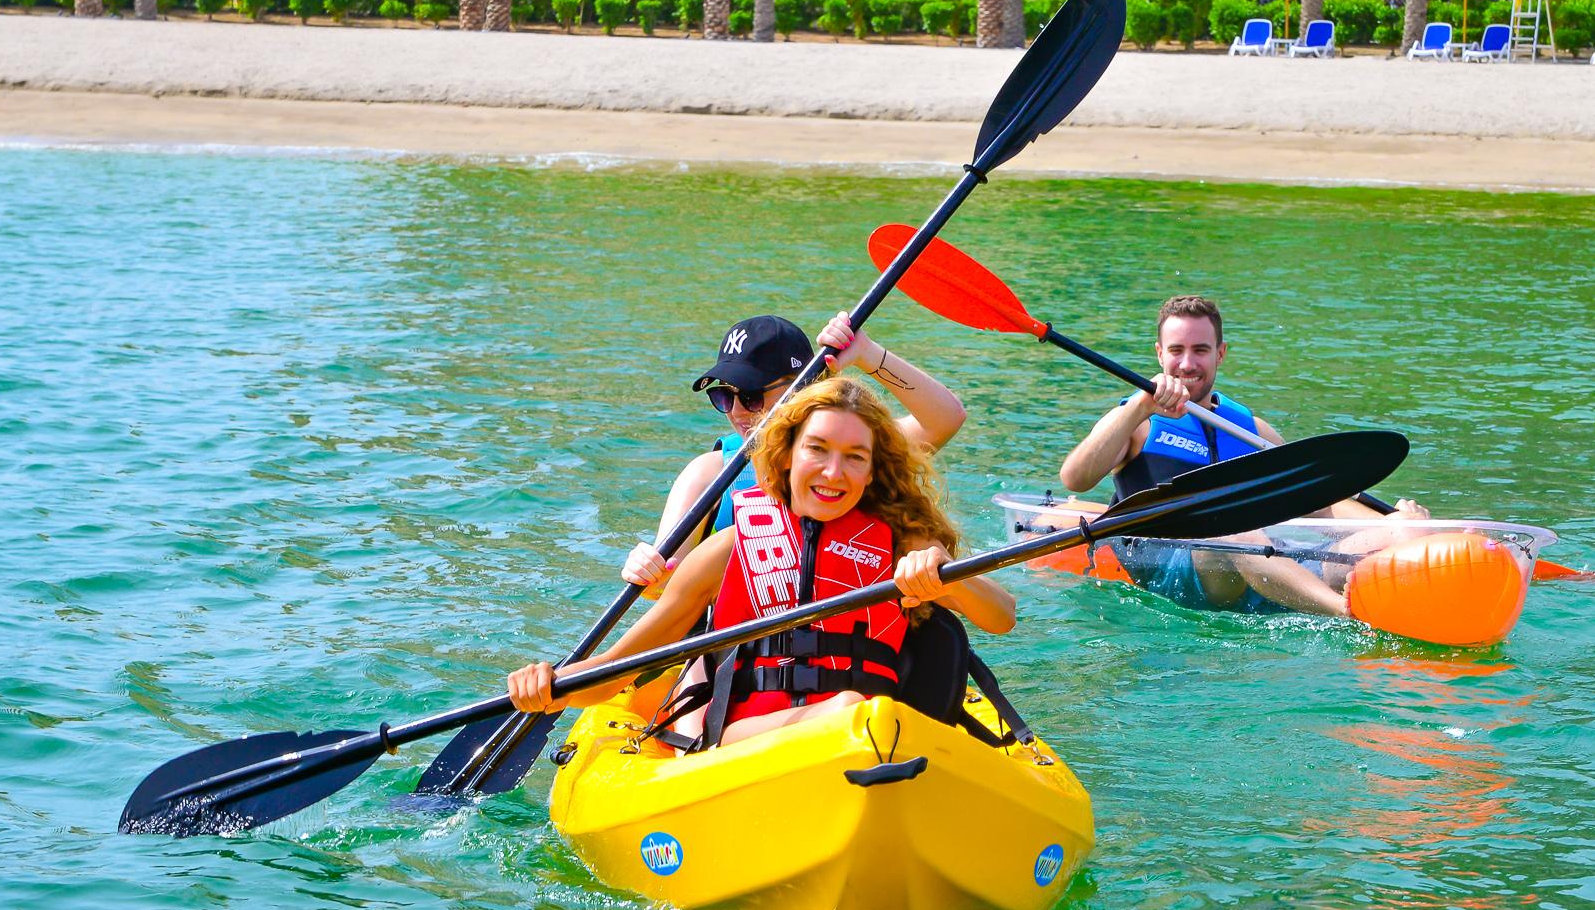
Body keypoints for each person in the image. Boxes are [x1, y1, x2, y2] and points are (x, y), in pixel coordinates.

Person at [507, 379, 1011, 747]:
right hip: (745, 741)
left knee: (863, 717)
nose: (834, 472)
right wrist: (550, 686)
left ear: (874, 467)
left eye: (856, 456)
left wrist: (946, 575)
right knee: (854, 713)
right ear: (788, 453)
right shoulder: (728, 548)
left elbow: (1001, 617)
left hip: (871, 738)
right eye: (818, 448)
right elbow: (619, 670)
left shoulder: (901, 541)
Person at [1052, 295, 1422, 617]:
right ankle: (1349, 616)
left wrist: (1396, 526)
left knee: (1384, 537)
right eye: (1176, 351)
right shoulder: (1136, 423)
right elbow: (1075, 478)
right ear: (1159, 353)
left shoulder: (1251, 430)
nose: (1187, 364)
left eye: (1200, 350)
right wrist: (1138, 406)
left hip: (1264, 562)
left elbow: (1320, 504)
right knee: (1233, 528)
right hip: (1170, 567)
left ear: (1220, 354)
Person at [620, 312, 965, 594]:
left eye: (752, 395)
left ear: (806, 385)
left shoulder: (855, 450)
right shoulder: (707, 474)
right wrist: (646, 569)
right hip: (737, 650)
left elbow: (945, 419)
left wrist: (868, 354)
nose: (738, 411)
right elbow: (665, 583)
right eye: (725, 396)